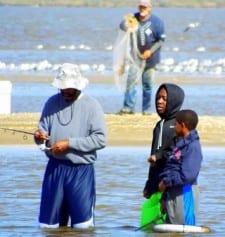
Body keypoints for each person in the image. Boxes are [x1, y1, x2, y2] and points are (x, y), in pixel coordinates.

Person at [34, 63, 107, 229]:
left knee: (82, 227)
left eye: (69, 88)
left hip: (81, 170)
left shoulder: (92, 105)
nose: (65, 91)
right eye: (62, 88)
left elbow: (101, 139)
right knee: (48, 226)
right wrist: (39, 137)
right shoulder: (51, 103)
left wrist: (69, 144)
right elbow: (42, 132)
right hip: (55, 168)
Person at [118, 0, 165, 115]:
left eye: (145, 7)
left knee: (148, 85)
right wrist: (125, 23)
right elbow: (122, 27)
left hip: (151, 60)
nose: (142, 9)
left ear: (149, 8)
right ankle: (128, 108)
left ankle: (147, 110)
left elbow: (161, 40)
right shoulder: (133, 18)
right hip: (135, 58)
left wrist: (151, 50)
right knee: (131, 83)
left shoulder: (157, 22)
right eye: (141, 7)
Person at [158, 109, 203, 225]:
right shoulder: (180, 145)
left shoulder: (193, 147)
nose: (174, 126)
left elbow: (187, 176)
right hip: (172, 192)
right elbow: (172, 168)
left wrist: (166, 182)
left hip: (185, 194)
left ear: (182, 125)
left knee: (182, 229)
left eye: (175, 123)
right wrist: (164, 198)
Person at [143, 83, 185, 199]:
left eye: (164, 99)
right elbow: (153, 160)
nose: (159, 101)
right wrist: (149, 184)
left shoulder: (180, 125)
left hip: (173, 186)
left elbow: (178, 153)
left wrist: (160, 156)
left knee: (172, 217)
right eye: (158, 98)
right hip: (157, 185)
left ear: (174, 101)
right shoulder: (159, 126)